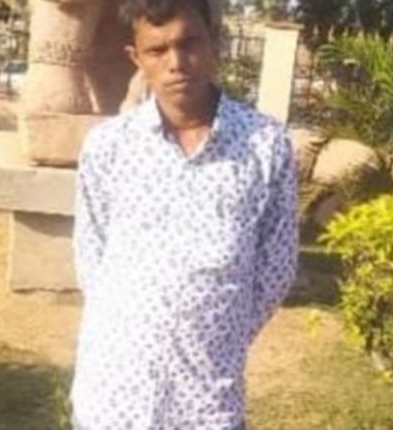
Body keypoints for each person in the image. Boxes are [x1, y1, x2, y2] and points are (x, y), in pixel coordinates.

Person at [71, 0, 299, 428]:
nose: (176, 63)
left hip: (206, 403)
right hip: (114, 398)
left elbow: (276, 268)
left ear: (215, 44)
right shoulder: (109, 148)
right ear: (136, 58)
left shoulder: (265, 146)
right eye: (157, 50)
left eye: (189, 43)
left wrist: (215, 330)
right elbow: (91, 256)